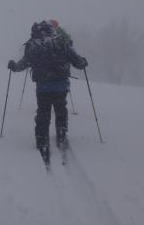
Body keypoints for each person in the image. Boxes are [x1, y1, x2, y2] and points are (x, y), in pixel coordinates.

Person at [7, 20, 88, 154]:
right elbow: (77, 61)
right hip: (61, 86)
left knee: (43, 113)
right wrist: (83, 62)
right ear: (52, 30)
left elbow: (24, 63)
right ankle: (61, 135)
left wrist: (14, 66)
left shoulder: (34, 45)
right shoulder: (61, 42)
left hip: (43, 87)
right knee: (61, 110)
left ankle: (41, 140)